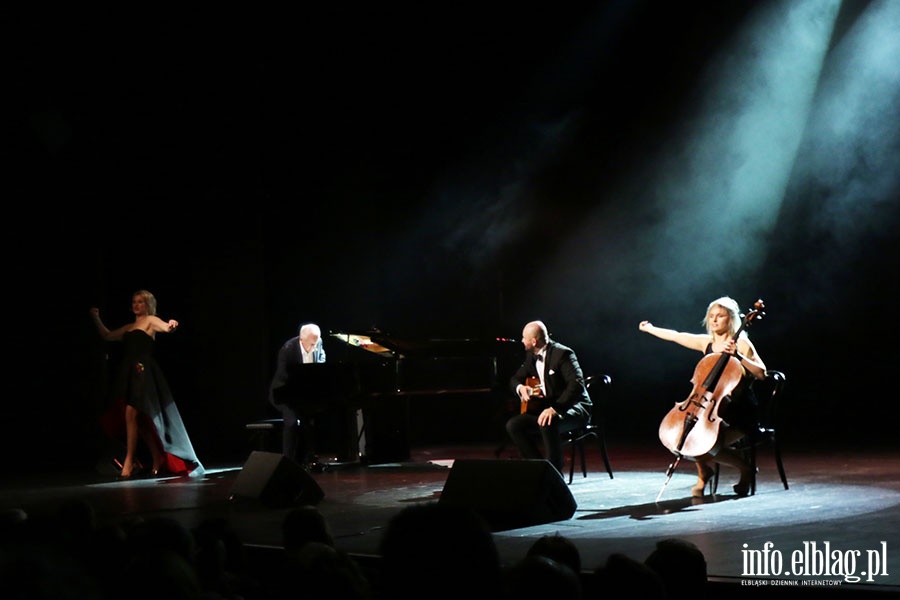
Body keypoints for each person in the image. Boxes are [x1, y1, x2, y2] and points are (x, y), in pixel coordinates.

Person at [639, 296, 766, 497]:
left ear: (731, 319)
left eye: (720, 316)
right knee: (689, 435)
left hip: (739, 412)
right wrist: (650, 328)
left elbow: (762, 373)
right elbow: (676, 336)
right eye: (712, 316)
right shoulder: (706, 342)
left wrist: (739, 357)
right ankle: (705, 472)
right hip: (710, 408)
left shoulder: (742, 344)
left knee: (706, 446)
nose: (715, 320)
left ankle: (745, 469)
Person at [90, 290, 203, 479]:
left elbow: (166, 328)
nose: (136, 305)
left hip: (143, 372)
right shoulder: (129, 327)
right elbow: (107, 336)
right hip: (129, 372)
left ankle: (129, 462)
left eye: (140, 302)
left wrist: (172, 324)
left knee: (131, 414)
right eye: (134, 301)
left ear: (148, 304)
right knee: (141, 421)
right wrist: (96, 318)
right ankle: (157, 458)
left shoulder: (151, 320)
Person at [506, 320, 592, 475]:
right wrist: (521, 388)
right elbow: (514, 379)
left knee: (547, 421)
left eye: (524, 338)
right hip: (550, 408)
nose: (521, 341)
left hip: (575, 408)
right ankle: (539, 468)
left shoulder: (563, 354)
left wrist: (555, 408)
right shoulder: (531, 356)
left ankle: (554, 473)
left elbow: (576, 385)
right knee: (514, 425)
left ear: (534, 341)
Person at [268, 322, 326, 468]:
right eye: (312, 343)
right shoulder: (288, 349)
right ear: (302, 340)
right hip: (285, 392)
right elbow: (283, 375)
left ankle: (310, 458)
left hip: (306, 393)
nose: (315, 346)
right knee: (292, 422)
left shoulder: (317, 342)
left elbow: (322, 359)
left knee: (313, 421)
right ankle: (288, 461)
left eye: (316, 342)